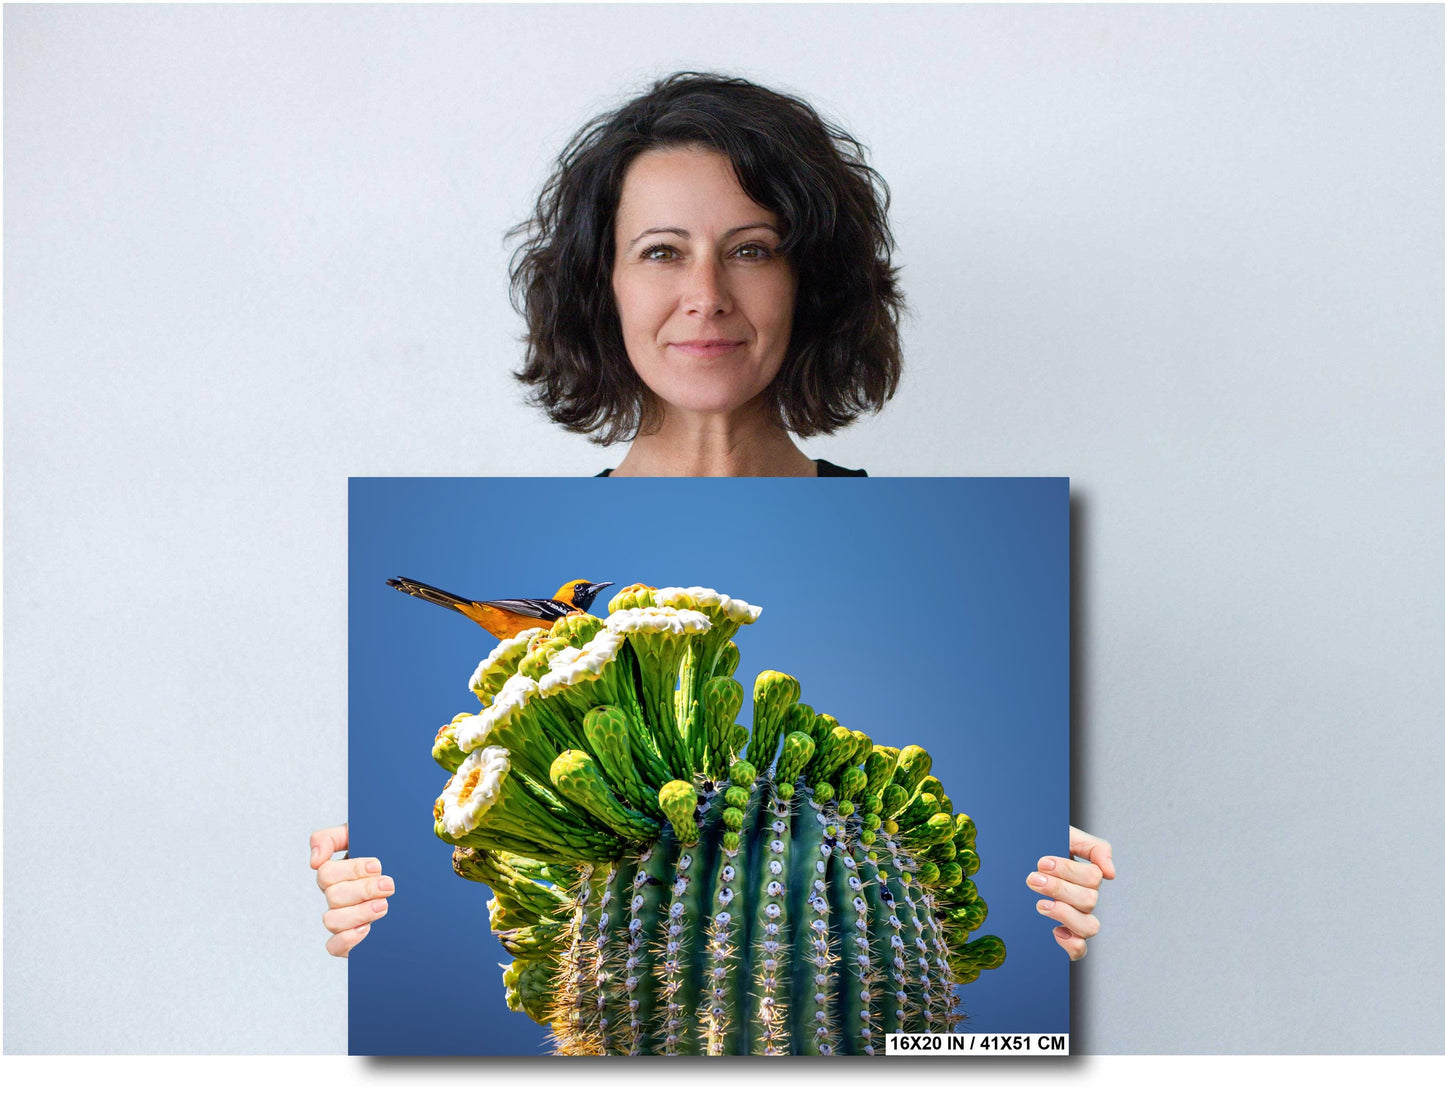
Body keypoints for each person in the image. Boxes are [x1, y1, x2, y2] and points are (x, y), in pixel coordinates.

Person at [312, 72, 1115, 964]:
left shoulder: (947, 553)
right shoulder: (505, 533)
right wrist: (363, 906)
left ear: (808, 282)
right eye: (661, 251)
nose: (706, 294)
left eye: (752, 249)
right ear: (603, 285)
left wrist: (1051, 905)